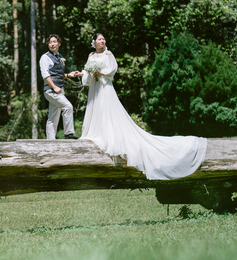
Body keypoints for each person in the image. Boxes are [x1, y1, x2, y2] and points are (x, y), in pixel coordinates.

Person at [79, 33, 207, 180]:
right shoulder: (91, 55)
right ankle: (97, 133)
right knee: (97, 110)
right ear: (94, 42)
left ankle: (110, 136)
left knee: (107, 110)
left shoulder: (109, 54)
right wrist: (84, 74)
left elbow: (112, 70)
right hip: (95, 88)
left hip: (105, 87)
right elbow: (86, 72)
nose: (102, 41)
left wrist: (100, 73)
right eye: (99, 39)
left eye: (103, 39)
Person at [40, 34, 82, 139]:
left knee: (53, 116)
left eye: (54, 42)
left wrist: (68, 75)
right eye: (50, 42)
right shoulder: (45, 57)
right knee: (68, 107)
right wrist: (54, 87)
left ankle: (50, 140)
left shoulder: (59, 57)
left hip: (58, 90)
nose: (52, 44)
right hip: (51, 90)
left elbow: (57, 74)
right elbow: (45, 75)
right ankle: (68, 134)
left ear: (59, 43)